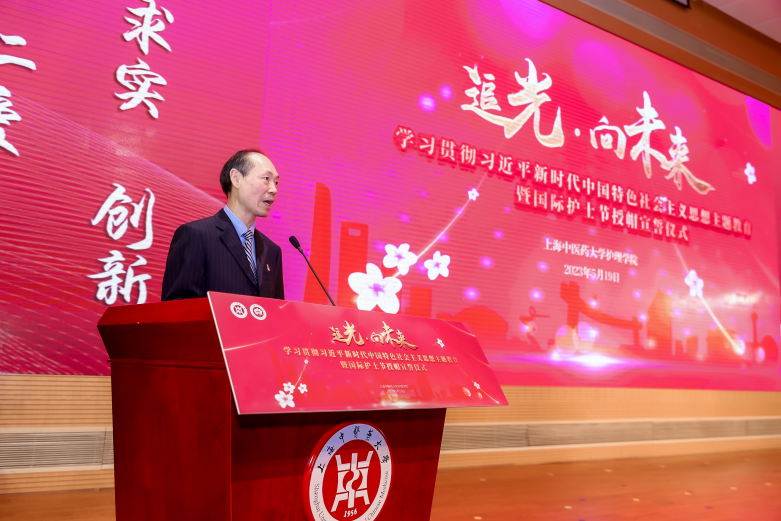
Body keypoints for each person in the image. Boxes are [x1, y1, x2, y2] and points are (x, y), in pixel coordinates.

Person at [161, 149, 284, 301]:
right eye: (266, 179)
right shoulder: (196, 235)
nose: (274, 190)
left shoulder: (272, 251)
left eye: (276, 182)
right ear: (236, 178)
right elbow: (178, 306)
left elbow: (277, 310)